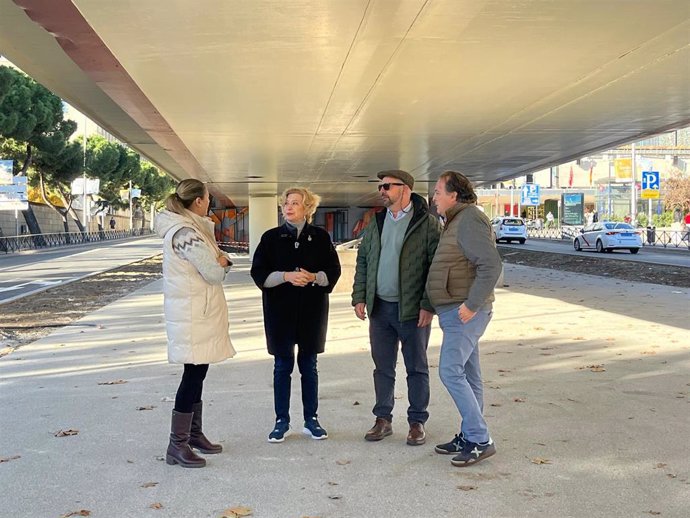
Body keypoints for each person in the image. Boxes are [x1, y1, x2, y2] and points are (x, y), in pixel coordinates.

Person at [352, 170, 441, 446]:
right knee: (383, 368)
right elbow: (364, 260)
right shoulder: (376, 222)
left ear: (405, 189)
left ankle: (416, 422)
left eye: (387, 186)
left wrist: (428, 305)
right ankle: (383, 419)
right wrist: (359, 296)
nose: (382, 190)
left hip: (412, 310)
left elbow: (435, 268)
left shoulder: (426, 223)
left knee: (416, 367)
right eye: (380, 186)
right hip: (380, 309)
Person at [154, 179, 236, 468]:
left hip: (194, 312)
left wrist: (217, 260)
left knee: (197, 373)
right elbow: (212, 272)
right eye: (208, 199)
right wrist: (224, 263)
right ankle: (177, 444)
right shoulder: (186, 233)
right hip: (193, 314)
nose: (210, 203)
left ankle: (192, 435)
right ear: (199, 201)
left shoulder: (187, 228)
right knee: (192, 375)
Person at [250, 187, 341, 443]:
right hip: (280, 312)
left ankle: (311, 420)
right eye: (286, 203)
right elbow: (259, 273)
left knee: (309, 366)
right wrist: (286, 276)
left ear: (308, 208)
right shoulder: (270, 238)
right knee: (282, 366)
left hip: (312, 312)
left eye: (295, 203)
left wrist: (313, 277)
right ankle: (282, 420)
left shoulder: (321, 237)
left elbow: (333, 271)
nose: (288, 207)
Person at [426, 171, 502, 467]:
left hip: (464, 311)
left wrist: (472, 304)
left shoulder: (469, 219)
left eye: (437, 192)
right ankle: (470, 435)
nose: (434, 197)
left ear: (453, 195)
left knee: (449, 371)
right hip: (455, 310)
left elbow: (490, 264)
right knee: (469, 375)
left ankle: (481, 439)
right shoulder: (456, 220)